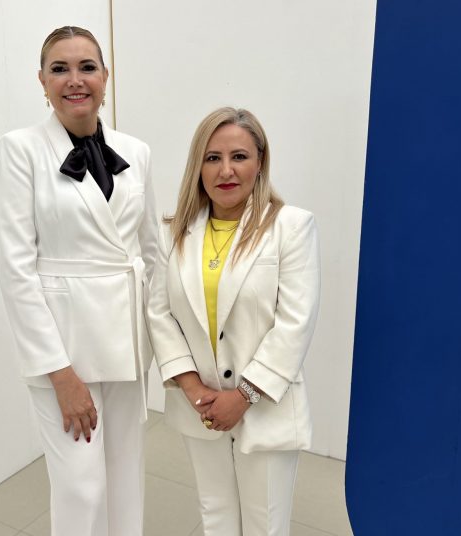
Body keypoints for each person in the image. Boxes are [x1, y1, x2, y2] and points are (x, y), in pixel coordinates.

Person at [0, 25, 157, 536]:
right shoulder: (20, 149)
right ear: (41, 81)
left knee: (125, 479)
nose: (75, 80)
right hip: (63, 349)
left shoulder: (137, 151)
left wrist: (164, 344)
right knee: (81, 488)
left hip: (127, 342)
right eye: (59, 69)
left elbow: (152, 254)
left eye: (87, 67)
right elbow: (16, 270)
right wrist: (60, 374)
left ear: (106, 75)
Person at [147, 107, 320, 536]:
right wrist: (194, 389)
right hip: (200, 407)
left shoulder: (291, 227)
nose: (226, 170)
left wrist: (243, 396)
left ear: (260, 161)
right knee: (216, 515)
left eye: (239, 156)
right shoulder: (173, 233)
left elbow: (294, 323)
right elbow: (159, 313)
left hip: (265, 406)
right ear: (198, 166)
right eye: (213, 158)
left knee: (265, 523)